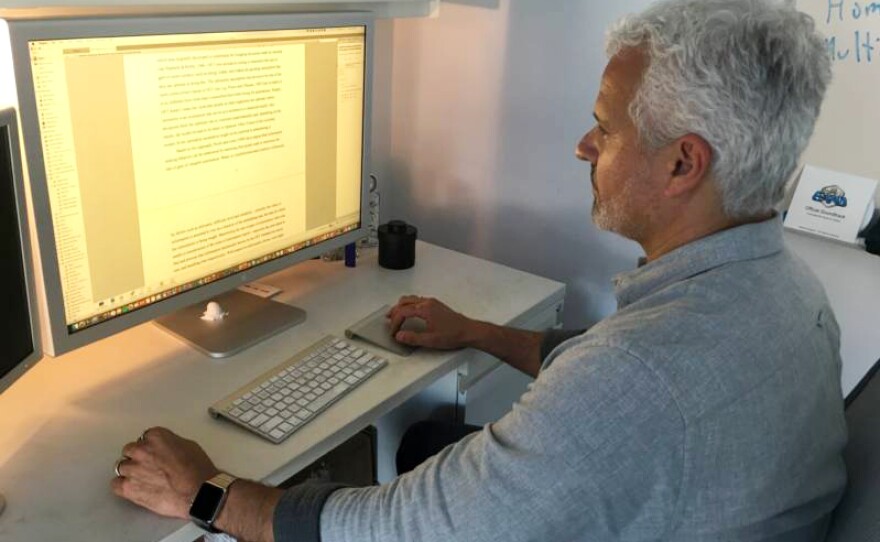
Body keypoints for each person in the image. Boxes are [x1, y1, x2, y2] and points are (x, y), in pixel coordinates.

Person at [111, 0, 848, 540]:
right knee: (432, 441)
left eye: (606, 124)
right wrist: (481, 333)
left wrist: (209, 494)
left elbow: (408, 530)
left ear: (684, 163)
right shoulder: (789, 291)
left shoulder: (635, 378)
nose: (584, 148)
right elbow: (616, 380)